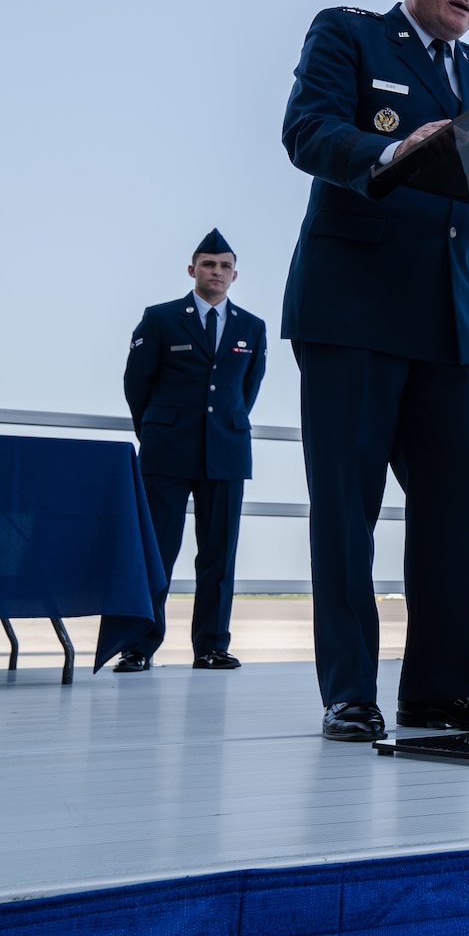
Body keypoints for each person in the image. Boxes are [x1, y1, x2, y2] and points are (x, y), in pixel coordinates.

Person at [280, 0, 469, 742]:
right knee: (346, 509)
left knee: (452, 508)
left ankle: (437, 689)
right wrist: (390, 153)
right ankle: (350, 691)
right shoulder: (349, 36)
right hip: (353, 305)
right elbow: (307, 130)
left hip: (451, 320)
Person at [119, 229, 267, 671]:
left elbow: (247, 389)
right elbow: (136, 385)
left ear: (234, 274)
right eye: (208, 264)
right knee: (156, 552)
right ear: (192, 270)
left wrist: (223, 427)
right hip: (166, 453)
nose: (216, 272)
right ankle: (138, 647)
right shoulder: (161, 318)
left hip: (226, 453)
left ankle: (211, 647)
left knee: (219, 556)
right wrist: (157, 431)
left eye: (224, 266)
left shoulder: (251, 327)